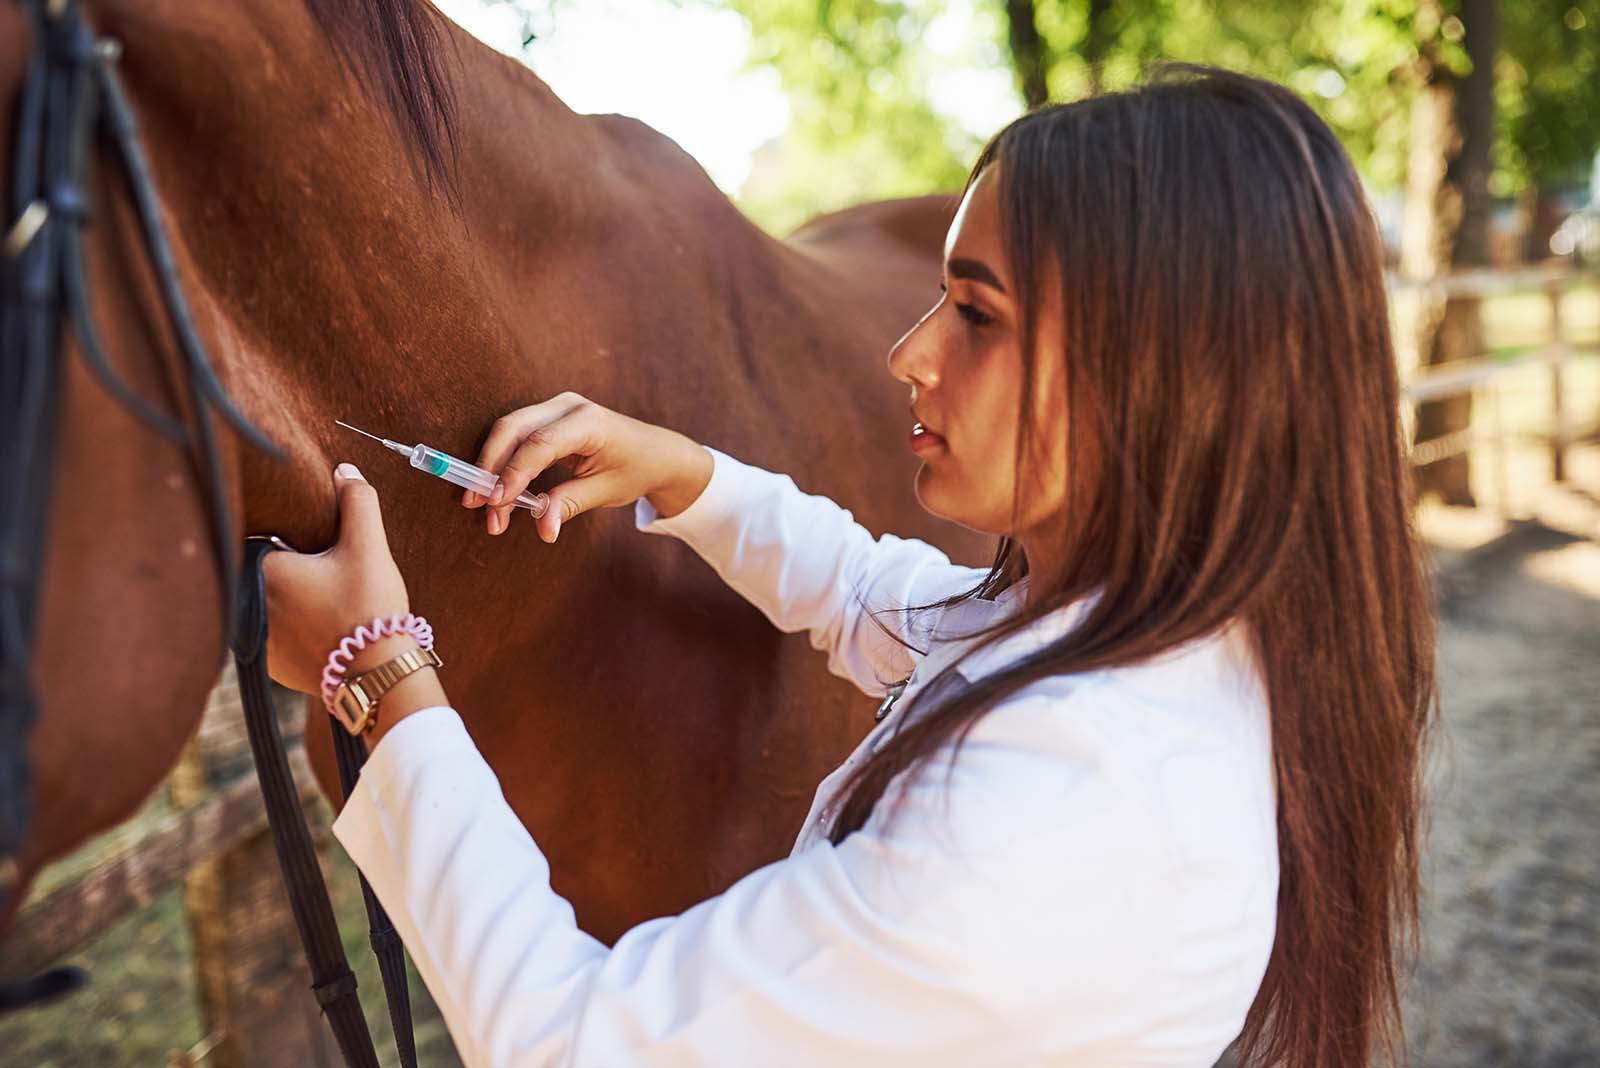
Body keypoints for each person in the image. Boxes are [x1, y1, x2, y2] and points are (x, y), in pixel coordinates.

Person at [264, 65, 1435, 1067]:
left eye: (975, 315)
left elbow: (572, 1040)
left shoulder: (1058, 807)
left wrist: (378, 673)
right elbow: (897, 606)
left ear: (1167, 373)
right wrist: (680, 473)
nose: (907, 352)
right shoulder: (1151, 641)